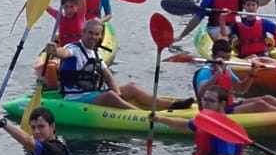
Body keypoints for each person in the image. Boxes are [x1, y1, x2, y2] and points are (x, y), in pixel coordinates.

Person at [94, 89, 242, 155]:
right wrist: (161, 119)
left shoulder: (225, 128)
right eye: (204, 100)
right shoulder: (206, 119)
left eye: (210, 101)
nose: (205, 104)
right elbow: (184, 125)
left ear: (222, 103)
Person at [38, 18, 192, 111]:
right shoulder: (73, 49)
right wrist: (55, 51)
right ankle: (143, 116)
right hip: (76, 98)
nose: (93, 37)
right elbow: (63, 54)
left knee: (131, 86)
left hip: (92, 93)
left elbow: (108, 75)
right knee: (110, 95)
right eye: (90, 33)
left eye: (97, 34)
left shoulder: (95, 53)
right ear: (83, 32)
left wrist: (119, 93)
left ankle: (170, 106)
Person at [191, 36, 276, 113]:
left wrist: (252, 73)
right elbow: (201, 93)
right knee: (260, 104)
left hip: (229, 106)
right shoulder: (205, 72)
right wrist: (216, 75)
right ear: (214, 57)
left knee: (267, 98)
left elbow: (241, 89)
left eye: (227, 58)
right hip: (217, 111)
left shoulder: (227, 69)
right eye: (222, 57)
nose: (225, 60)